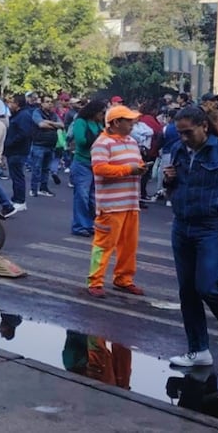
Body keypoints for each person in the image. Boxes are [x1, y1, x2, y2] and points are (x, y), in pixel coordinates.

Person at [162, 105, 218, 367]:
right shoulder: (178, 149)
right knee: (187, 291)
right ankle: (198, 349)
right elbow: (171, 188)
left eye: (188, 132)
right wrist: (168, 180)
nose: (184, 138)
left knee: (206, 286)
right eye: (180, 133)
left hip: (212, 227)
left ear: (204, 126)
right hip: (182, 225)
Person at [86, 105, 147, 299]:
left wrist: (140, 168)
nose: (132, 124)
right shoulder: (102, 143)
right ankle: (95, 281)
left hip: (130, 202)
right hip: (111, 206)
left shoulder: (132, 141)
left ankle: (124, 279)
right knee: (103, 245)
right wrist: (129, 170)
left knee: (129, 246)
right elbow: (100, 169)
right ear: (116, 123)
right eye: (129, 121)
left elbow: (135, 164)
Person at [69, 100, 107, 237]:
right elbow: (81, 141)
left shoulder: (98, 123)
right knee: (82, 195)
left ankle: (90, 224)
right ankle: (79, 225)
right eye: (101, 113)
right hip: (82, 163)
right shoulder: (81, 122)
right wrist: (98, 139)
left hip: (95, 163)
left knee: (92, 197)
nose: (103, 116)